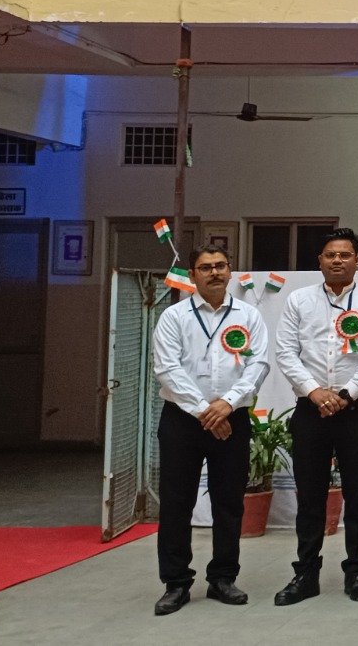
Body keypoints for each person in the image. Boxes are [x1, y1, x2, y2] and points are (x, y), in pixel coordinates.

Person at [151, 245, 270, 615]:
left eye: (220, 266)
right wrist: (205, 410)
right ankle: (176, 582)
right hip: (182, 420)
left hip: (231, 419)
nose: (215, 272)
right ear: (193, 275)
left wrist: (227, 404)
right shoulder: (174, 316)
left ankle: (223, 578)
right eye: (206, 267)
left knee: (229, 502)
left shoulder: (249, 315)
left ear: (230, 270)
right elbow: (167, 368)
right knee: (176, 502)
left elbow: (258, 365)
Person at [271, 227, 358, 605]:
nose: (337, 261)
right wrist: (315, 391)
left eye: (345, 255)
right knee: (310, 495)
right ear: (319, 260)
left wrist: (347, 393)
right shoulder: (298, 300)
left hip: (356, 410)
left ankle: (357, 571)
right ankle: (306, 573)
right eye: (330, 255)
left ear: (357, 261)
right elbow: (286, 352)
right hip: (311, 409)